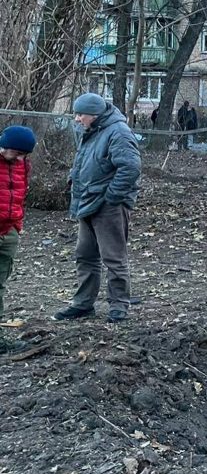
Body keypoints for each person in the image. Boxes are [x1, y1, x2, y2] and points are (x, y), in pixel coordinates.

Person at [54, 93, 141, 323]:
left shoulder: (118, 132)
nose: (76, 119)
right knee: (85, 255)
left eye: (80, 114)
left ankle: (119, 306)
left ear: (93, 114)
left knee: (113, 257)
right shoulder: (93, 131)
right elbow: (85, 161)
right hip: (87, 202)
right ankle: (83, 304)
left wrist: (112, 197)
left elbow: (130, 168)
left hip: (107, 206)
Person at [0, 126, 36, 351]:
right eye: (16, 153)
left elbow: (19, 195)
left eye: (23, 155)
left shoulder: (22, 165)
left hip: (8, 232)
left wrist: (16, 225)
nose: (19, 158)